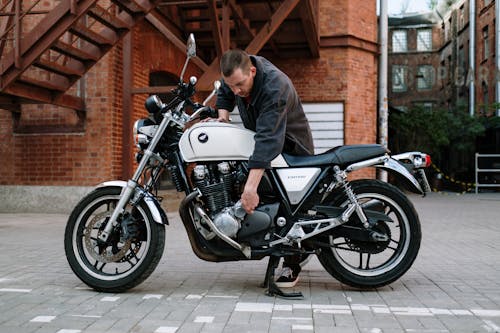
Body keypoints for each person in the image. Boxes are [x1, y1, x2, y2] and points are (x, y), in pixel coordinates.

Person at [214, 49, 314, 288]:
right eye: (232, 85)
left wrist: (250, 188)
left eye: (240, 84)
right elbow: (226, 91)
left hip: (291, 147)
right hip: (268, 145)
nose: (237, 90)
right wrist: (222, 117)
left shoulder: (274, 86)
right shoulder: (238, 73)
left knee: (289, 210)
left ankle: (292, 261)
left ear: (253, 71)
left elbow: (269, 139)